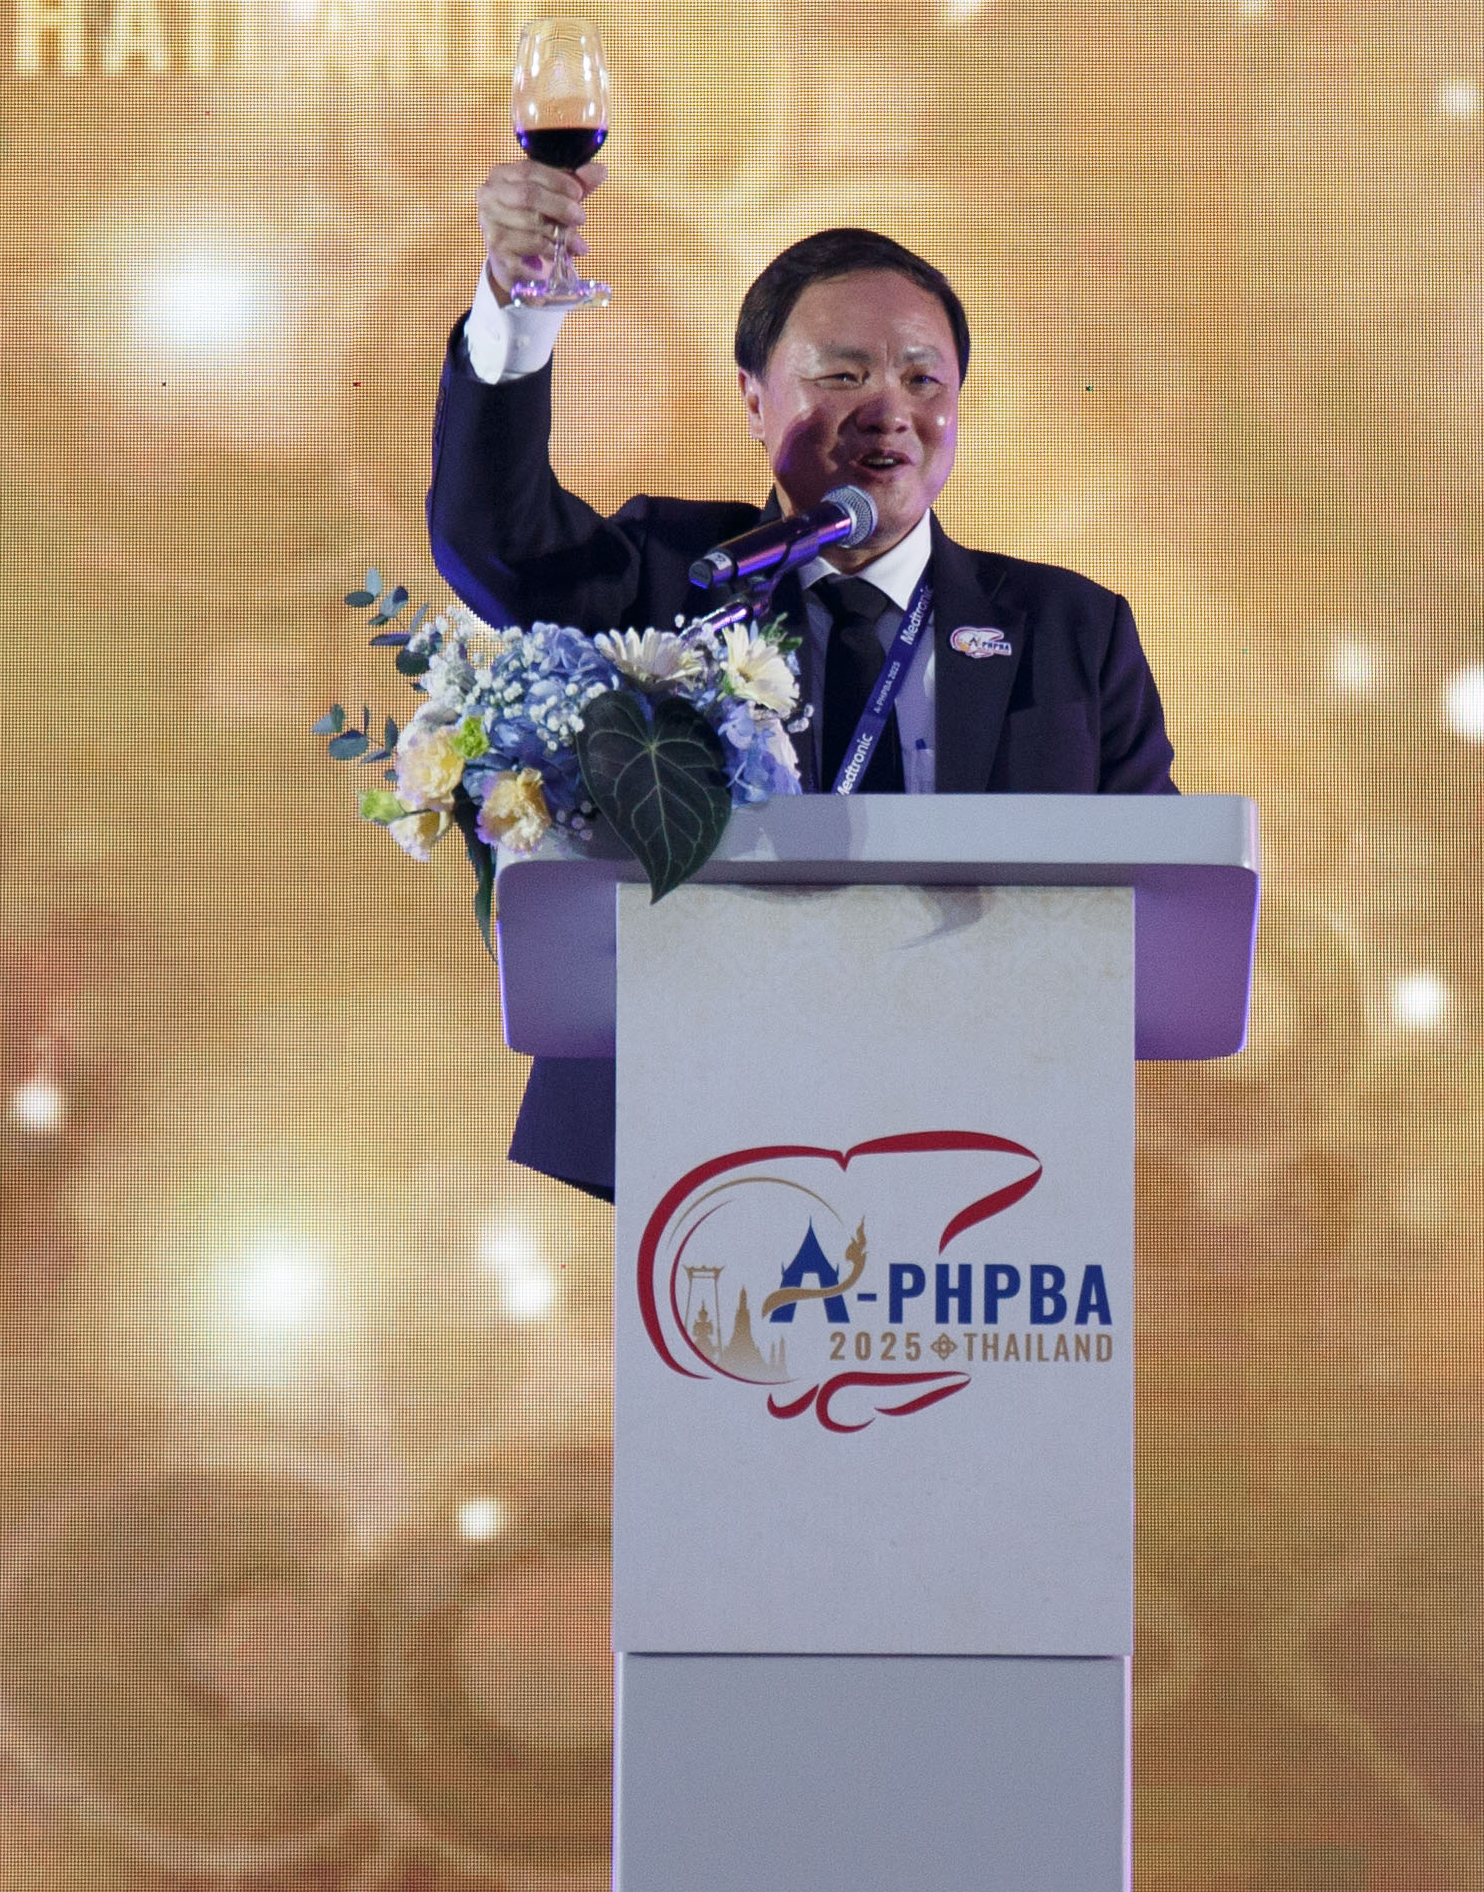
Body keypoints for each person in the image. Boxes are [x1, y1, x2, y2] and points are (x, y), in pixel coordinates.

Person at [430, 142, 1175, 1195]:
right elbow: (492, 534)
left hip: (981, 1153)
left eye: (923, 378)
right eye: (841, 374)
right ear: (752, 399)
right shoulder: (676, 575)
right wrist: (514, 310)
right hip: (696, 1145)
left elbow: (1156, 910)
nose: (889, 407)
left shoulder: (1072, 630)